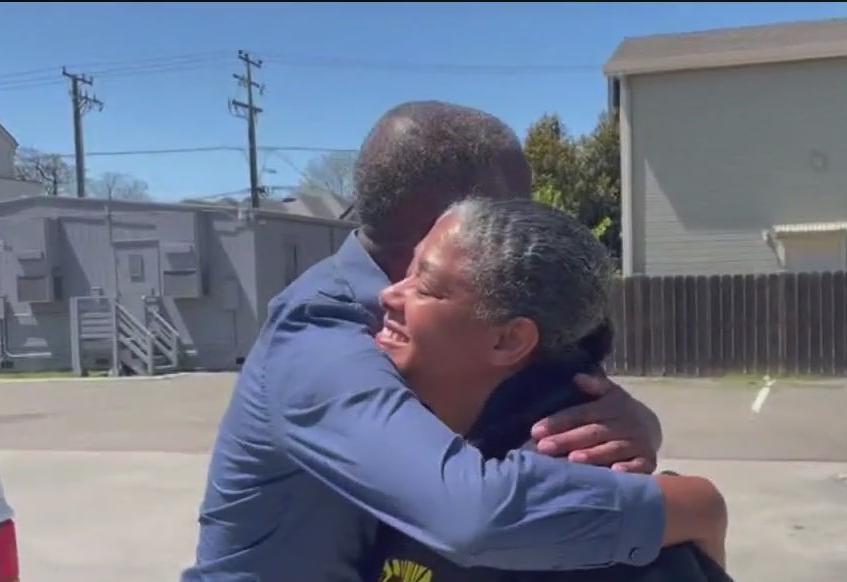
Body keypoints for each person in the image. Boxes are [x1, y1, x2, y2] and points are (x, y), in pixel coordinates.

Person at [182, 101, 666, 582]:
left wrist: (631, 422)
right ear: (447, 219)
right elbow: (471, 516)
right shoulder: (322, 336)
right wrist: (687, 508)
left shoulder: (449, 323)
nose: (525, 224)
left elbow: (521, 410)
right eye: (515, 205)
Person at [367, 197, 730, 582]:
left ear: (508, 340)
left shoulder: (597, 526)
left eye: (426, 286)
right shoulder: (407, 428)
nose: (388, 295)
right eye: (404, 273)